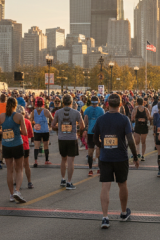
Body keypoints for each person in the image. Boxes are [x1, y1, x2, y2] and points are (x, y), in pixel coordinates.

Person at [93, 94, 139, 229]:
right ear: (120, 104)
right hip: (121, 156)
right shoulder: (124, 119)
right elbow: (130, 139)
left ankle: (105, 217)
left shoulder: (101, 119)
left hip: (106, 156)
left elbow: (95, 138)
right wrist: (135, 156)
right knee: (122, 184)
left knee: (105, 186)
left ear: (107, 104)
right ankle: (124, 212)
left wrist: (102, 146)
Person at [0, 97, 27, 203]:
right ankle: (17, 190)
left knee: (9, 170)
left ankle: (11, 194)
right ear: (16, 105)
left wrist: (5, 131)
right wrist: (17, 130)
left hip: (6, 145)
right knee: (19, 169)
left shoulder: (1, 116)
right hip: (17, 144)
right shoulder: (19, 116)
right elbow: (25, 132)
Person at [52, 94, 84, 189]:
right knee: (71, 161)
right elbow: (82, 126)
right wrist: (76, 129)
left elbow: (53, 125)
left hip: (62, 138)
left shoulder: (58, 112)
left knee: (63, 159)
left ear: (62, 102)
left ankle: (63, 179)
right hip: (72, 138)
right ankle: (69, 182)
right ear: (71, 102)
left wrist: (60, 128)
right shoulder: (76, 112)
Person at [84, 96, 105, 176]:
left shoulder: (87, 109)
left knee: (90, 150)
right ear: (98, 101)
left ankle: (90, 169)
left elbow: (85, 120)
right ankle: (99, 169)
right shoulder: (101, 110)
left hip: (90, 132)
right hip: (98, 131)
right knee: (98, 149)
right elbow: (103, 121)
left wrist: (85, 129)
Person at [30, 97, 53, 167]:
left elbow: (31, 120)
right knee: (46, 145)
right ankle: (46, 160)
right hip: (45, 130)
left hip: (37, 130)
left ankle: (36, 161)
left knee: (36, 146)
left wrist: (34, 123)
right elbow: (52, 119)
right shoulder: (46, 111)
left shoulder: (33, 111)